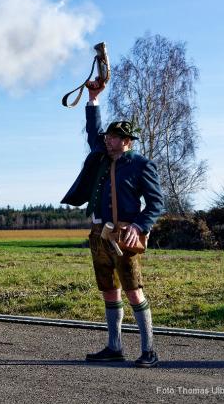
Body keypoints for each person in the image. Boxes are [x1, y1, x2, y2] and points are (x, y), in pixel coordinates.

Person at [61, 79, 165, 368]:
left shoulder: (142, 165)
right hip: (98, 234)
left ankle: (149, 350)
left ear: (127, 141)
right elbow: (93, 131)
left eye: (115, 137)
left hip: (124, 236)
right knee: (109, 289)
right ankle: (114, 346)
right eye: (108, 136)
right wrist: (93, 98)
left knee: (133, 290)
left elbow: (156, 204)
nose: (108, 139)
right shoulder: (101, 158)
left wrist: (139, 226)